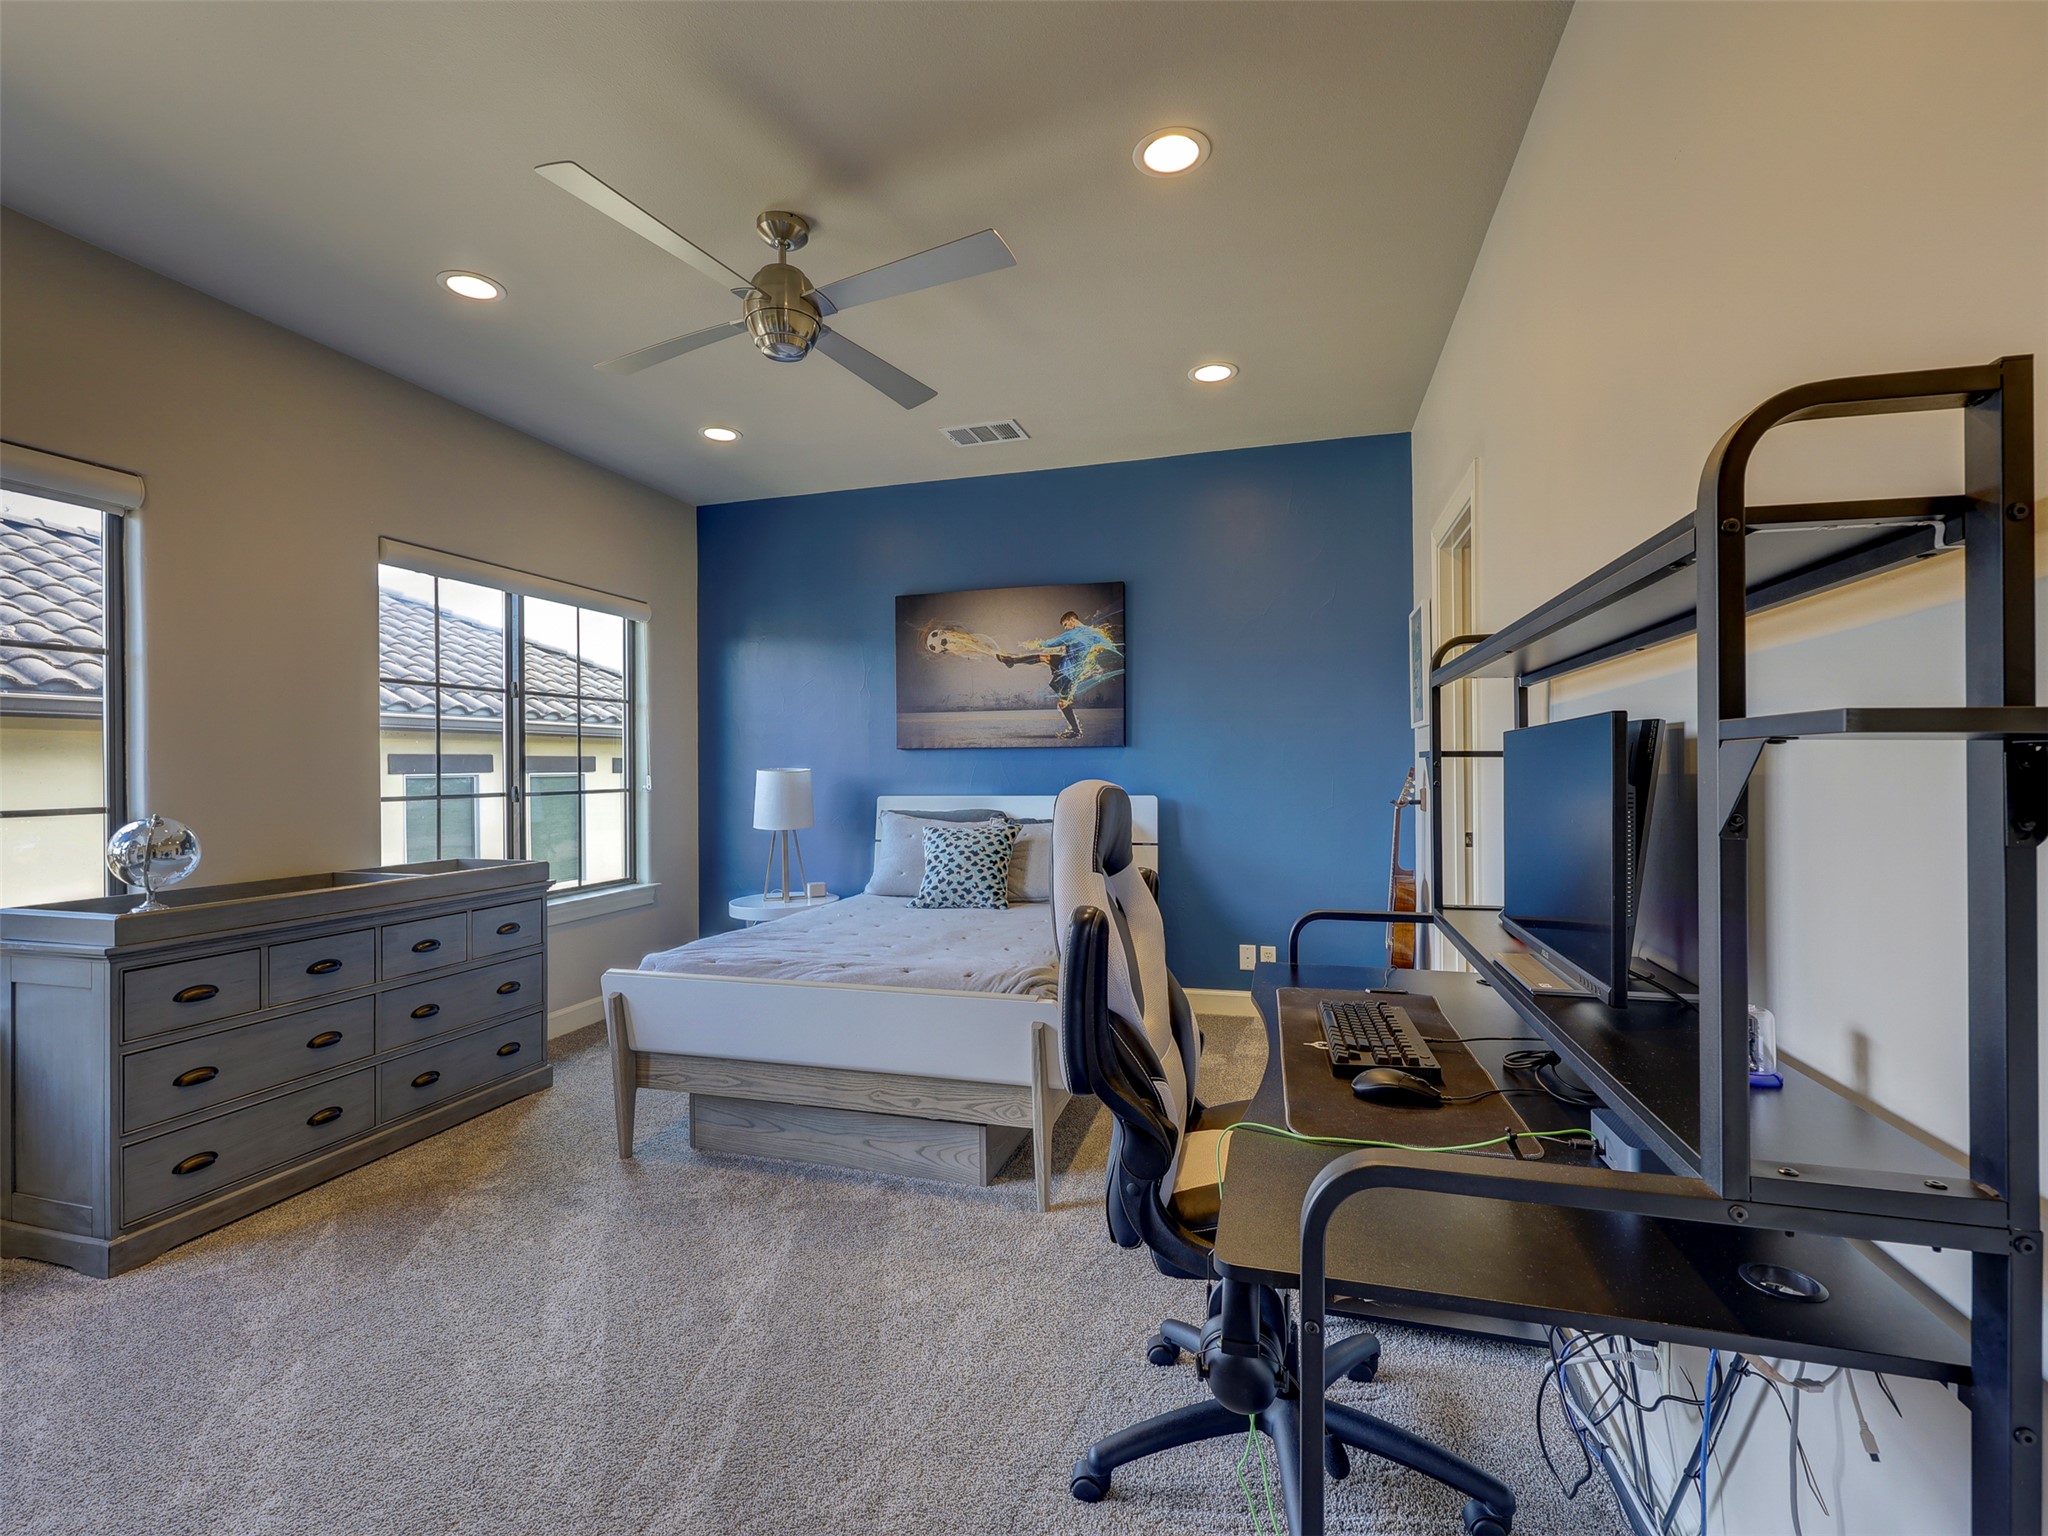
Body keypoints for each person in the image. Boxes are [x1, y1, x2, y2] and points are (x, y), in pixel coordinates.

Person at [999, 610, 1121, 739]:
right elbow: (1108, 646)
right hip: (1066, 662)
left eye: (1066, 624)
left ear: (1072, 620)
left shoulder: (1073, 633)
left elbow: (1051, 643)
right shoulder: (1092, 633)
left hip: (1068, 672)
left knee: (1063, 703)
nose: (1066, 628)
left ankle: (1076, 731)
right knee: (1044, 657)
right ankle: (1011, 661)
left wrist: (1034, 643)